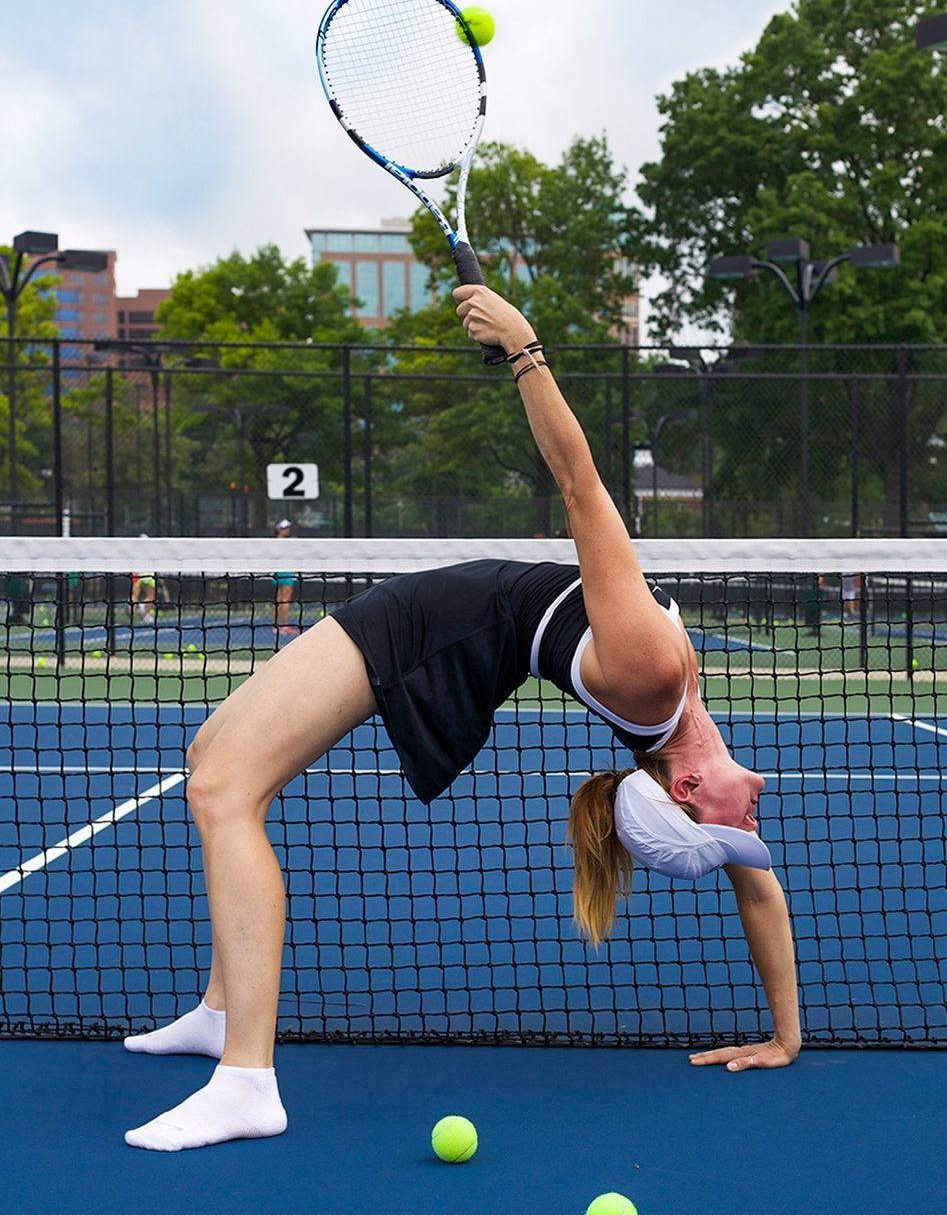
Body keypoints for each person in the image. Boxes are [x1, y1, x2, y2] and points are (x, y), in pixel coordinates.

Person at [123, 286, 801, 1153]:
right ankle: (224, 1016)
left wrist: (527, 352)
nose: (751, 829)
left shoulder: (654, 686)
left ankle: (248, 1082)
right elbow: (753, 877)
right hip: (454, 617)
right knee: (209, 750)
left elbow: (581, 488)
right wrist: (524, 346)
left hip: (437, 628)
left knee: (222, 789)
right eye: (737, 832)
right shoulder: (662, 700)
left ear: (686, 788)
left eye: (729, 832)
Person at [271, 518, 298, 636]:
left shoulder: (276, 542)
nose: (288, 530)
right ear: (279, 530)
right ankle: (285, 625)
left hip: (278, 571)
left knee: (279, 599)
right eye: (285, 528)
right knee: (285, 599)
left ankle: (276, 624)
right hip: (285, 571)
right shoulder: (284, 543)